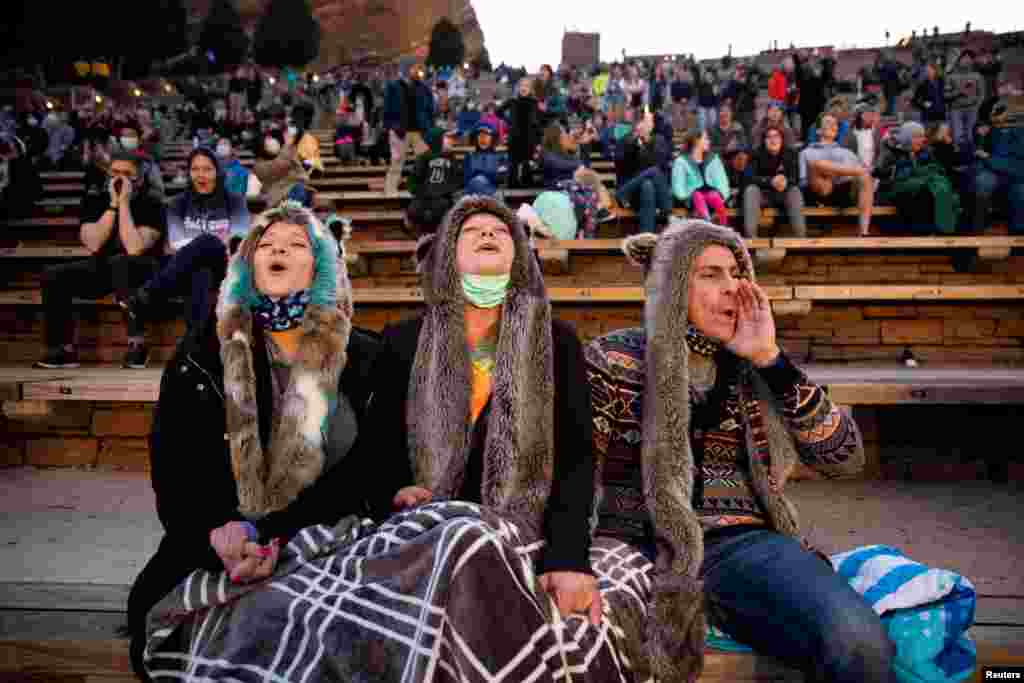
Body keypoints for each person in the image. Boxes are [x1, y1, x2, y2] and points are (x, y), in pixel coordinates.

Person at [138, 195, 634, 682]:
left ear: (521, 259)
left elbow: (574, 459)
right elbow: (375, 457)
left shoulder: (558, 341)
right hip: (423, 530)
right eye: (471, 231)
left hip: (519, 529)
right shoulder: (401, 340)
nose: (488, 234)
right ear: (445, 257)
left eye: (501, 231)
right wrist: (392, 491)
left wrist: (569, 559)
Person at [586, 220, 885, 683]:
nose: (732, 288)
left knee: (857, 640)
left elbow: (844, 457)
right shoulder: (612, 358)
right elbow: (569, 469)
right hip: (631, 542)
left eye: (736, 272)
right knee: (590, 641)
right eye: (710, 274)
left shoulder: (758, 366)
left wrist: (771, 360)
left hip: (739, 545)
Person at [127, 204, 380, 681]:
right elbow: (174, 474)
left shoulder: (365, 356)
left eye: (297, 243)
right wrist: (216, 532)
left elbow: (374, 469)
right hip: (217, 551)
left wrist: (281, 535)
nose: (279, 248)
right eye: (265, 243)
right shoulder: (201, 356)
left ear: (322, 266)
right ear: (248, 266)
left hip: (332, 542)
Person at [118, 147, 251, 367]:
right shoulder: (177, 203)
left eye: (207, 169)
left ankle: (146, 296)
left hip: (226, 265)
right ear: (189, 173)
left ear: (217, 172)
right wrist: (207, 243)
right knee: (201, 272)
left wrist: (209, 242)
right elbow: (175, 244)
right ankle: (194, 346)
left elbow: (238, 241)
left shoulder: (235, 202)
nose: (201, 175)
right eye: (195, 169)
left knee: (208, 243)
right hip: (186, 269)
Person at [35, 151, 167, 369]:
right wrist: (113, 206)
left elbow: (134, 248)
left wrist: (124, 204)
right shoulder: (94, 199)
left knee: (122, 263)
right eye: (115, 173)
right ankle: (61, 349)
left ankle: (137, 345)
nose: (119, 179)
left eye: (127, 174)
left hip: (143, 272)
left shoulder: (152, 203)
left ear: (139, 179)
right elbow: (94, 243)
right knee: (54, 275)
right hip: (106, 268)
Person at [875, 121, 960, 235]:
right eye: (917, 137)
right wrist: (904, 167)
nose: (922, 140)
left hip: (919, 189)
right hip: (893, 191)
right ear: (907, 138)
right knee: (924, 192)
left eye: (922, 136)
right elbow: (880, 172)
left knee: (942, 189)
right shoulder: (891, 152)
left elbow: (937, 169)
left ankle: (945, 233)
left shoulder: (926, 152)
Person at [799, 112, 875, 236]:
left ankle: (864, 232)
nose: (833, 126)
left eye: (835, 124)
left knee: (865, 177)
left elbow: (859, 179)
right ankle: (855, 170)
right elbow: (803, 181)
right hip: (819, 192)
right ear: (818, 131)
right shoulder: (806, 152)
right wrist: (827, 173)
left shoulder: (847, 153)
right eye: (828, 123)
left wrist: (834, 173)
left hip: (842, 193)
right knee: (816, 164)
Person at [744, 124, 806, 237]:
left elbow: (796, 178)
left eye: (776, 136)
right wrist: (770, 181)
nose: (773, 140)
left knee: (795, 191)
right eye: (769, 137)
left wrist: (785, 181)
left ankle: (801, 239)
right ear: (764, 140)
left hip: (784, 192)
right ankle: (751, 238)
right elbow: (748, 178)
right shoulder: (755, 153)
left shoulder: (791, 153)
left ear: (782, 139)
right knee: (750, 190)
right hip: (763, 194)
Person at [616, 111, 673, 234]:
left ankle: (645, 238)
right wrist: (636, 141)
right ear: (638, 123)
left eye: (651, 121)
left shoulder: (659, 140)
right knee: (647, 184)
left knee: (649, 182)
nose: (651, 124)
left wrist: (647, 141)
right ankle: (668, 211)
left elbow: (662, 164)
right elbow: (622, 168)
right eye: (648, 121)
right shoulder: (625, 141)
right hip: (634, 195)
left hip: (658, 191)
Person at [383, 60, 434, 196]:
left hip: (420, 130)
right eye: (414, 67)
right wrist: (389, 127)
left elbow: (430, 109)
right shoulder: (393, 86)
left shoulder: (424, 88)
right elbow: (387, 108)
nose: (417, 70)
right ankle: (390, 191)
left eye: (418, 68)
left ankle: (426, 189)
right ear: (406, 69)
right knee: (397, 162)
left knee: (425, 162)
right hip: (399, 130)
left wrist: (429, 126)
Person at [972, 100, 1024, 234]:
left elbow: (1016, 162)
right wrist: (980, 136)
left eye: (1002, 112)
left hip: (1014, 172)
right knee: (983, 181)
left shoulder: (1018, 131)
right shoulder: (986, 129)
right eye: (995, 112)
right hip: (992, 170)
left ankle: (1018, 232)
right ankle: (977, 229)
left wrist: (989, 158)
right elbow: (976, 152)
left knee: (1021, 191)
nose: (998, 116)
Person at [405, 128, 462, 236]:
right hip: (425, 201)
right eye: (448, 138)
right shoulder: (424, 157)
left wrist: (449, 193)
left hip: (443, 202)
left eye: (453, 139)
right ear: (437, 139)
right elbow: (413, 181)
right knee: (416, 211)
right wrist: (421, 194)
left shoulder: (452, 159)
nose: (452, 141)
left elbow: (457, 181)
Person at [673, 129, 731, 225]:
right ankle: (707, 224)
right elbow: (678, 186)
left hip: (711, 194)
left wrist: (721, 194)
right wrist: (685, 197)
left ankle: (724, 225)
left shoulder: (713, 158)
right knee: (697, 195)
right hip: (691, 198)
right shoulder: (681, 161)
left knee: (714, 196)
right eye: (706, 139)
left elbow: (723, 181)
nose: (709, 142)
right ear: (697, 141)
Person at [497, 77, 542, 188]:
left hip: (528, 135)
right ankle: (512, 183)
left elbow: (538, 120)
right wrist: (509, 121)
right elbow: (498, 111)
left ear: (530, 89)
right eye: (522, 86)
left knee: (527, 161)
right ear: (518, 88)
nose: (524, 88)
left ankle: (527, 182)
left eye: (527, 86)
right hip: (515, 136)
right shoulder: (512, 100)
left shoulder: (534, 102)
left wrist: (537, 138)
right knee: (513, 162)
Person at [945, 50, 986, 154]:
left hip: (972, 109)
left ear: (972, 61)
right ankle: (959, 155)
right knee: (957, 135)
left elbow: (981, 94)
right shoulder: (951, 76)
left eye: (969, 59)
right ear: (959, 60)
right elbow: (945, 95)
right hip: (956, 110)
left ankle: (971, 155)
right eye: (964, 58)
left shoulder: (977, 76)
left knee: (970, 134)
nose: (967, 61)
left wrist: (977, 105)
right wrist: (958, 93)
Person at [463, 121, 508, 196]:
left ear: (492, 138)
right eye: (480, 135)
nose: (483, 138)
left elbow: (500, 179)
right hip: (472, 193)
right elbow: (467, 179)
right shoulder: (470, 156)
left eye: (486, 135)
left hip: (491, 192)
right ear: (475, 138)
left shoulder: (500, 157)